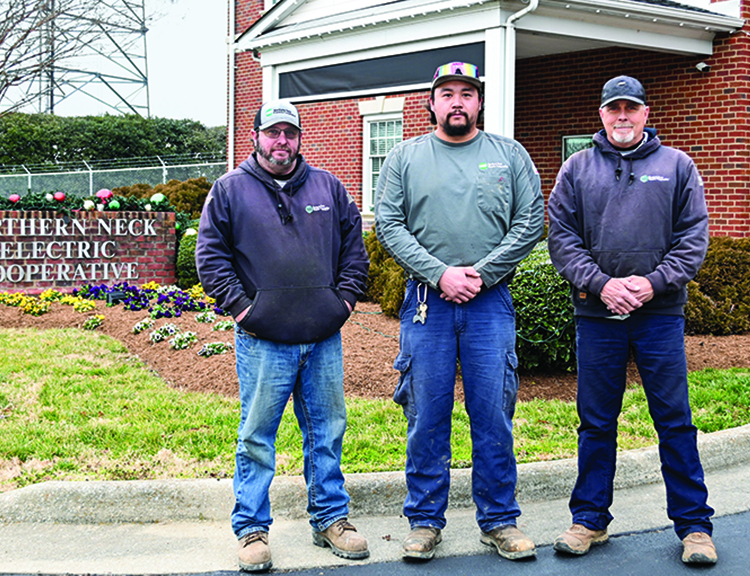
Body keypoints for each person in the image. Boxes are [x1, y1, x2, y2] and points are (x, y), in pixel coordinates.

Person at [374, 62, 544, 561]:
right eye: (446, 93)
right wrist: (439, 273)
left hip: (490, 304)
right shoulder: (405, 157)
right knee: (426, 413)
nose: (456, 102)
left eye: (466, 94)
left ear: (479, 102)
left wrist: (482, 274)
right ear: (431, 103)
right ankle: (425, 521)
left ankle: (499, 520)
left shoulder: (508, 155)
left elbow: (530, 220)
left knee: (493, 412)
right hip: (427, 303)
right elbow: (389, 224)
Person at [547, 76, 717, 565]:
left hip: (659, 315)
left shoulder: (677, 166)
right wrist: (603, 285)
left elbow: (693, 237)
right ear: (601, 114)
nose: (622, 116)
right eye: (613, 108)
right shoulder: (576, 169)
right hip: (597, 315)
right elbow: (562, 238)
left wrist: (653, 282)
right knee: (596, 421)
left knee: (675, 420)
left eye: (631, 108)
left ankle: (694, 526)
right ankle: (589, 520)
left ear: (645, 113)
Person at [196, 99, 371, 572]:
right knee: (257, 436)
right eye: (272, 132)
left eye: (289, 133)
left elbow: (355, 253)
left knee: (326, 430)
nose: (281, 141)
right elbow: (211, 257)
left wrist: (344, 303)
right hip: (263, 339)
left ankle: (331, 518)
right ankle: (251, 527)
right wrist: (244, 309)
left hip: (321, 337)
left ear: (299, 138)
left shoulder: (327, 187)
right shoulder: (230, 190)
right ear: (254, 137)